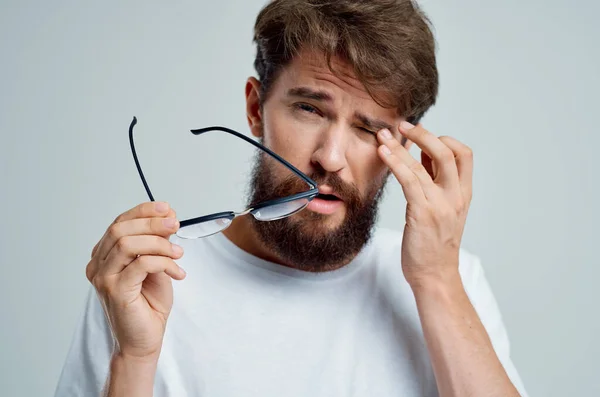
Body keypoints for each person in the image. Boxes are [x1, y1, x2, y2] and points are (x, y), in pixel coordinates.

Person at [55, 1, 528, 396]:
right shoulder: (145, 281)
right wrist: (133, 359)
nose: (331, 158)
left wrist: (436, 279)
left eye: (369, 129)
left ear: (402, 151)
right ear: (256, 109)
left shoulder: (451, 280)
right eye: (308, 109)